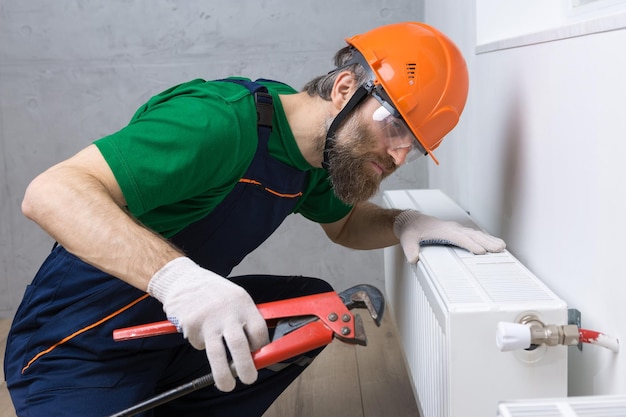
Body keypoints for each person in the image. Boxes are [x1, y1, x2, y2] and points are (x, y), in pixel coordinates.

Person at [4, 21, 505, 416]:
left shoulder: (316, 158)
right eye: (395, 125)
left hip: (174, 331)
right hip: (72, 350)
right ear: (346, 87)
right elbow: (51, 193)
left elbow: (347, 226)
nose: (397, 156)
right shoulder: (219, 121)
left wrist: (404, 223)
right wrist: (181, 281)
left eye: (413, 148)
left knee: (312, 309)